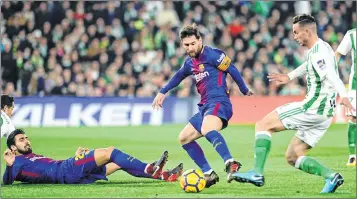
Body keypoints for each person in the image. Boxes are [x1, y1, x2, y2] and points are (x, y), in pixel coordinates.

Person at [231, 14, 355, 193]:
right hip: (324, 115)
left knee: (263, 125)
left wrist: (343, 95)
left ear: (307, 31)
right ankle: (331, 176)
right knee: (293, 156)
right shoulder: (322, 48)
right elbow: (308, 65)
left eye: (296, 33)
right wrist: (289, 76)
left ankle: (257, 172)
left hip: (312, 108)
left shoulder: (319, 52)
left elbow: (330, 74)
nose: (295, 37)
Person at [152, 23, 253, 188]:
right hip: (205, 106)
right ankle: (208, 173)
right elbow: (178, 76)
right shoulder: (189, 63)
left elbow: (232, 69)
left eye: (193, 43)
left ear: (200, 40)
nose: (190, 48)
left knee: (207, 129)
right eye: (186, 45)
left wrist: (243, 88)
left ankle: (231, 163)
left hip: (220, 102)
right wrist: (163, 91)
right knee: (184, 138)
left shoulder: (213, 55)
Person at [3, 129, 183, 184]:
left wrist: (75, 158)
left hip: (68, 171)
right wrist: (9, 165)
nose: (26, 141)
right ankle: (148, 168)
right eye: (21, 140)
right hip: (67, 171)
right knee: (110, 152)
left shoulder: (32, 157)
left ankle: (163, 175)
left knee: (118, 163)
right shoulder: (16, 163)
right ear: (13, 147)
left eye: (26, 137)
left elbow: (48, 170)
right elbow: (7, 182)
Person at [335, 28, 356, 167]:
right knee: (353, 118)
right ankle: (353, 156)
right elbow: (338, 54)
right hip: (356, 85)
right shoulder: (352, 34)